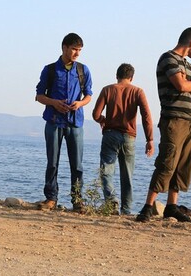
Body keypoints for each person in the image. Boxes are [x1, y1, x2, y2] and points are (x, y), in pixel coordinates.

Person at [136, 27, 191, 223]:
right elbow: (182, 86)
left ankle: (172, 206)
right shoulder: (168, 58)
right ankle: (148, 206)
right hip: (173, 118)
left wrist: (190, 85)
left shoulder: (188, 66)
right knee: (168, 160)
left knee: (184, 163)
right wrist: (190, 85)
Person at [35, 33, 93, 213]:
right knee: (52, 162)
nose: (77, 53)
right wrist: (54, 103)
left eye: (80, 50)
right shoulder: (50, 70)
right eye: (74, 49)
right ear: (64, 48)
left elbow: (89, 95)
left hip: (75, 123)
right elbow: (39, 96)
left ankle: (77, 200)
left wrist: (80, 103)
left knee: (77, 164)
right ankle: (51, 198)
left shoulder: (83, 70)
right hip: (53, 122)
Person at [92, 63, 155, 215]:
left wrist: (103, 120)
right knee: (127, 175)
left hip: (110, 134)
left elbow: (95, 114)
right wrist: (150, 139)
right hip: (129, 137)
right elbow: (146, 116)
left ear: (117, 76)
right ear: (131, 78)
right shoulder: (138, 91)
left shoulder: (108, 89)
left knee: (106, 171)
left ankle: (112, 201)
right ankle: (126, 210)